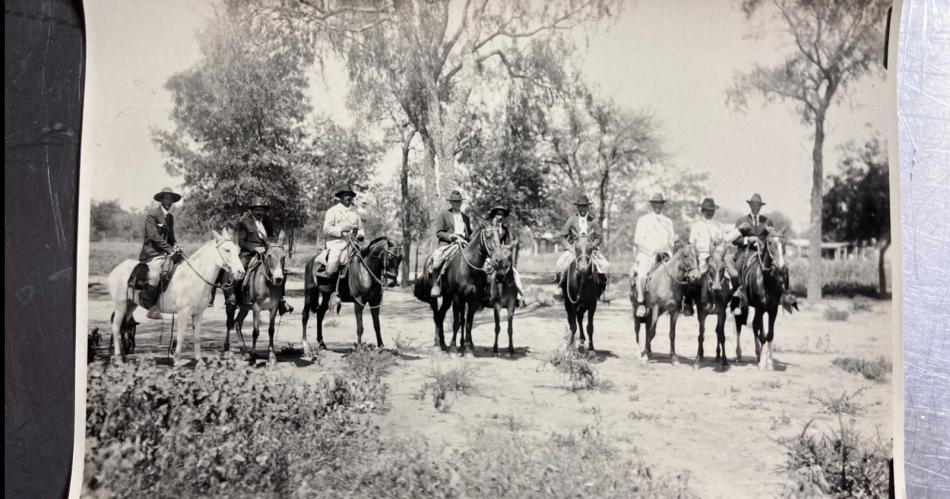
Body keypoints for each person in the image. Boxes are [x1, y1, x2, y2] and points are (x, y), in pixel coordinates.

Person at [235, 197, 292, 315]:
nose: (259, 212)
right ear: (252, 211)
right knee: (241, 270)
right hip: (249, 253)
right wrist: (255, 248)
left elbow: (270, 237)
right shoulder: (244, 223)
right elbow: (242, 242)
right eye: (257, 209)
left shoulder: (267, 222)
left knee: (281, 270)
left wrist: (273, 245)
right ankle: (237, 298)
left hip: (266, 252)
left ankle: (280, 300)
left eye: (261, 210)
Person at [686, 197, 741, 314]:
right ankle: (688, 302)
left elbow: (726, 239)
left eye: (712, 210)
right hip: (702, 257)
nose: (710, 212)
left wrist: (738, 231)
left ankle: (734, 303)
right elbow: (691, 245)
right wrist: (695, 259)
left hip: (718, 257)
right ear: (703, 210)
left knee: (735, 275)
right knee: (692, 278)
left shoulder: (719, 225)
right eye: (707, 210)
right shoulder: (696, 226)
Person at [138, 187, 184, 320]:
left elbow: (171, 237)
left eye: (171, 199)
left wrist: (176, 245)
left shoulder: (170, 217)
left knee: (183, 267)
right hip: (152, 253)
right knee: (155, 275)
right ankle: (152, 307)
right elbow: (154, 237)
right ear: (161, 199)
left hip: (167, 252)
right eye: (166, 198)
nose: (169, 201)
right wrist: (170, 250)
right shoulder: (152, 214)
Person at [552, 194, 609, 300]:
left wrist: (593, 245)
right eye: (580, 206)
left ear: (588, 207)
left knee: (605, 265)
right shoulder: (571, 220)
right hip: (575, 249)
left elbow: (599, 237)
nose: (582, 208)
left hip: (589, 250)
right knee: (560, 263)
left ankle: (603, 291)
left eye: (584, 206)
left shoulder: (593, 221)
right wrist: (569, 247)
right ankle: (559, 287)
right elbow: (562, 236)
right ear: (577, 207)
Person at [632, 193, 677, 318]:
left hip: (665, 255)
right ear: (651, 204)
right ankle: (641, 302)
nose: (658, 205)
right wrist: (652, 250)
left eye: (660, 203)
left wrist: (675, 242)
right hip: (648, 254)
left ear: (663, 204)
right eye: (655, 203)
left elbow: (671, 240)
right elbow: (638, 239)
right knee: (641, 275)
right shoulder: (643, 220)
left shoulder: (668, 221)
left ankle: (680, 302)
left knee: (679, 274)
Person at [732, 193, 777, 311]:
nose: (756, 207)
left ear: (761, 207)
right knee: (737, 266)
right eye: (754, 205)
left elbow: (772, 238)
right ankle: (738, 294)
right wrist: (748, 239)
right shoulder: (741, 220)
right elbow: (735, 240)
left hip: (764, 253)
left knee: (779, 265)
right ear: (750, 205)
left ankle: (781, 293)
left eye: (758, 205)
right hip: (746, 251)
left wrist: (770, 237)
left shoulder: (768, 221)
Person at [428, 190, 472, 298]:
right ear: (451, 203)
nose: (458, 204)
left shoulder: (466, 218)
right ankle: (436, 284)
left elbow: (469, 234)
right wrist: (451, 236)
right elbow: (439, 232)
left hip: (463, 243)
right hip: (448, 243)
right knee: (438, 257)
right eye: (455, 202)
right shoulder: (444, 214)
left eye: (459, 202)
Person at [322, 186, 365, 280]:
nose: (348, 198)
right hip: (336, 243)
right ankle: (331, 287)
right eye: (345, 195)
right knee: (333, 262)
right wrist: (341, 229)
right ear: (341, 197)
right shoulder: (333, 211)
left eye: (350, 196)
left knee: (367, 258)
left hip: (353, 244)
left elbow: (361, 229)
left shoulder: (355, 212)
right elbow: (326, 229)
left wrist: (360, 235)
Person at [487, 206, 526, 304]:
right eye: (498, 214)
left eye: (502, 215)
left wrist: (508, 247)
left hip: (500, 255)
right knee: (484, 273)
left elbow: (507, 243)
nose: (500, 217)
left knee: (514, 273)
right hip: (489, 256)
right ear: (494, 215)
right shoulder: (488, 229)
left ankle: (519, 295)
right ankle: (481, 297)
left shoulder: (504, 229)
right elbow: (485, 244)